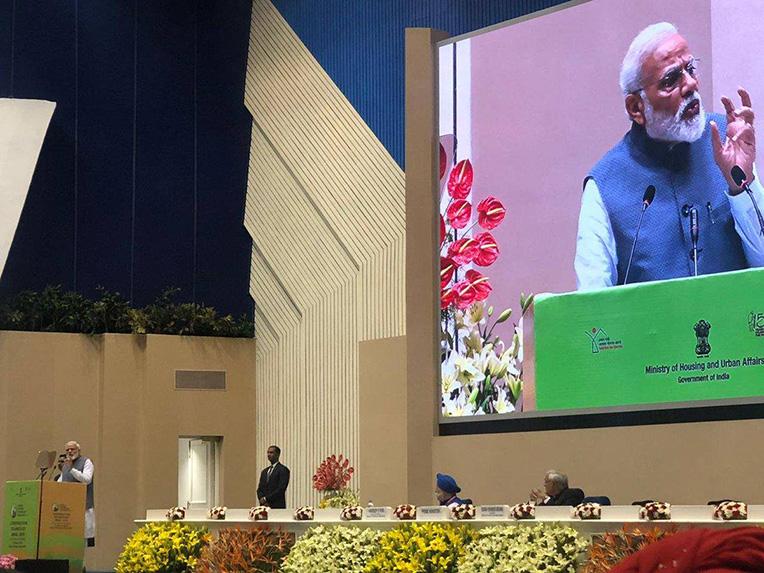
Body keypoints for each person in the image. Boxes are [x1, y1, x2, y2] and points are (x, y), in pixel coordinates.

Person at [576, 22, 764, 289]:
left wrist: (741, 184)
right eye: (670, 80)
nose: (689, 84)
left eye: (690, 69)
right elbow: (590, 307)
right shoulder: (604, 185)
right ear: (636, 107)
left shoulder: (725, 140)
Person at [57, 441, 95, 547]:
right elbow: (61, 482)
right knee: (68, 540)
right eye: (67, 450)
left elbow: (87, 480)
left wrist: (72, 469)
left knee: (81, 540)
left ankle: (81, 563)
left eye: (72, 449)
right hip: (67, 508)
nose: (69, 451)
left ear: (79, 450)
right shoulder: (66, 465)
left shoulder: (86, 462)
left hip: (83, 507)